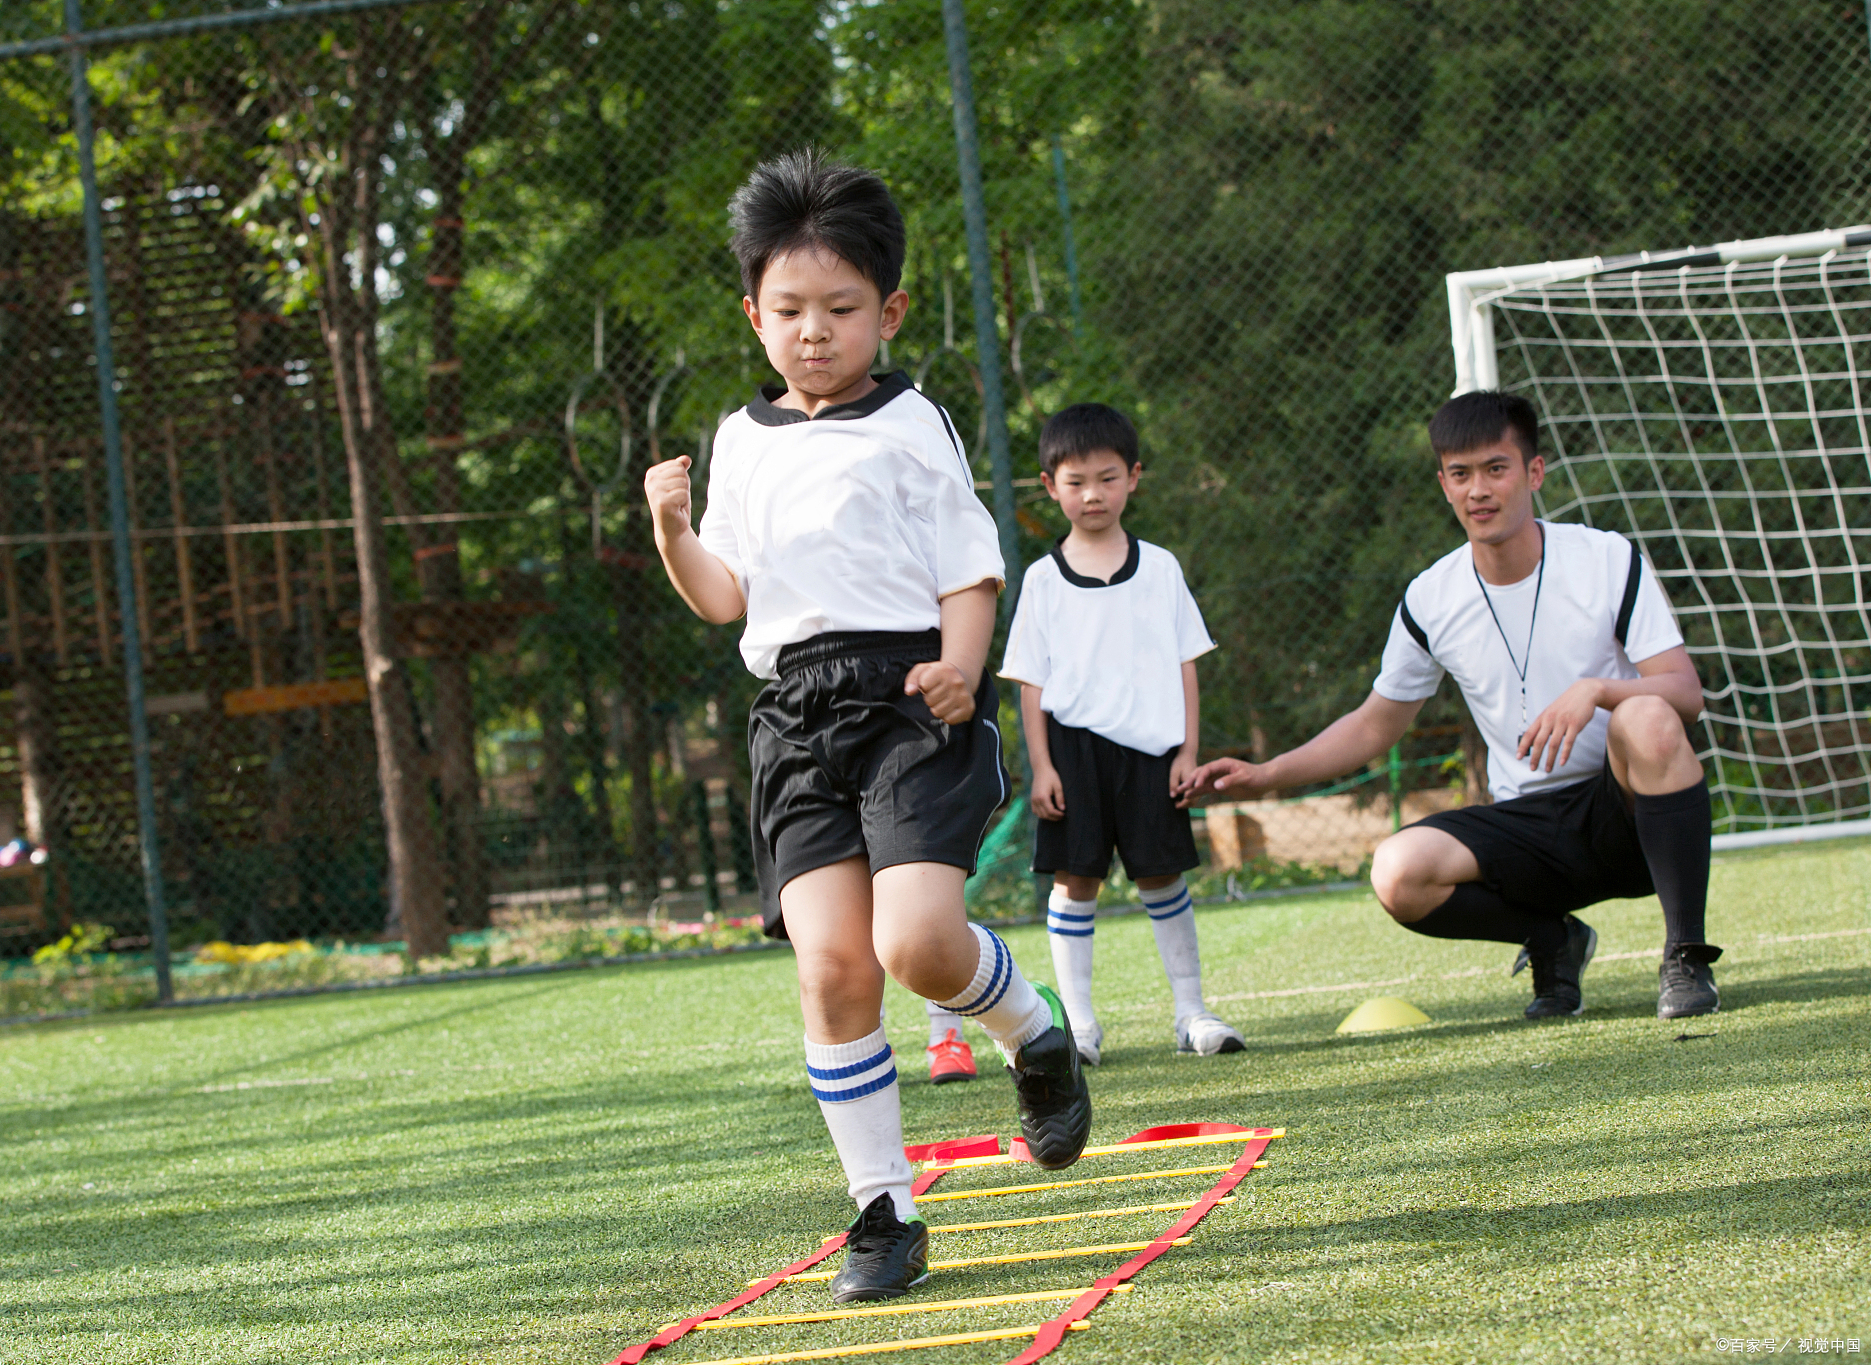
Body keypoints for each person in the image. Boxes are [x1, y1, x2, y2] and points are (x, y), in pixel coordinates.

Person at [642, 149, 1093, 1306]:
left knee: (917, 945)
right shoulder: (741, 439)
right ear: (752, 314)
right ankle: (883, 1213)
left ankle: (1030, 1030)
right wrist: (671, 532)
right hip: (791, 718)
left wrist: (961, 667)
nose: (813, 333)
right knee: (833, 967)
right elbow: (724, 598)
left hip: (906, 701)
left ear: (886, 313)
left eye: (840, 309)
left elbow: (967, 568)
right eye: (789, 309)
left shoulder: (910, 423)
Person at [1183, 390, 1721, 1021]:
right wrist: (1267, 774)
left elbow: (1684, 693)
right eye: (1461, 474)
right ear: (1443, 484)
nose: (1479, 490)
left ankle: (1685, 956)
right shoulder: (1431, 598)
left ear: (1534, 472)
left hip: (1629, 816)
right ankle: (1552, 940)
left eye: (1496, 469)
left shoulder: (1605, 558)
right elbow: (1374, 724)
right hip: (1527, 828)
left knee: (1646, 716)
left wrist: (1597, 691)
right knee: (1397, 872)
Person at [923, 404, 1239, 1074]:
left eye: (1107, 478)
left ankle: (1192, 1013)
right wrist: (1041, 765)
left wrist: (1187, 751)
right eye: (1076, 481)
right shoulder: (1041, 579)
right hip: (1072, 754)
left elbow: (1187, 662)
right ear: (1050, 485)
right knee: (1076, 883)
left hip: (1153, 754)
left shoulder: (1161, 568)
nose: (1093, 494)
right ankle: (1078, 1026)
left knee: (1163, 876)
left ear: (1134, 477)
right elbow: (1030, 682)